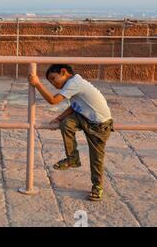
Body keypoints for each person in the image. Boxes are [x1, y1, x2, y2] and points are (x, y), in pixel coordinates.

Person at [28, 64, 113, 201]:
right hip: (85, 116)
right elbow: (74, 106)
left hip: (99, 124)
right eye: (50, 82)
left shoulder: (74, 83)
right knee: (66, 124)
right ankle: (73, 158)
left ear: (63, 72)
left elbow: (53, 100)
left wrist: (37, 84)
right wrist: (59, 118)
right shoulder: (74, 83)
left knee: (96, 157)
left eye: (53, 79)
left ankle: (97, 186)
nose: (53, 84)